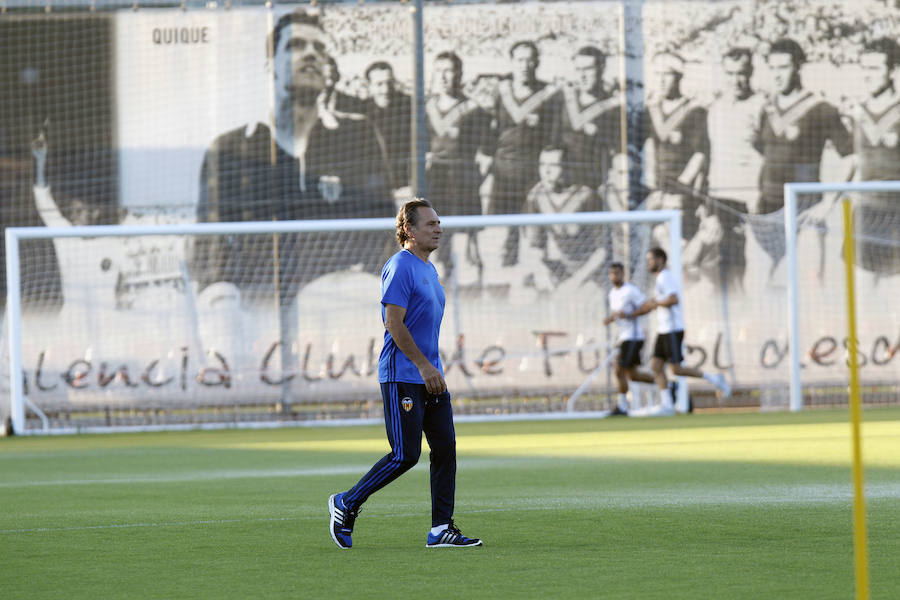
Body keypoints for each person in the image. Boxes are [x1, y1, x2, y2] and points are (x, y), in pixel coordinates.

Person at [192, 8, 394, 305]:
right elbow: (210, 249)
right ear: (269, 67)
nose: (312, 54)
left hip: (341, 303)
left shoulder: (359, 135)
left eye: (320, 48)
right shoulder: (228, 149)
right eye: (296, 45)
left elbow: (383, 233)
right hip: (257, 308)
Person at [328, 198, 482, 550]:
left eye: (439, 222)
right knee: (404, 454)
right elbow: (393, 324)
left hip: (431, 375)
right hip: (403, 375)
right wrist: (425, 366)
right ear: (409, 230)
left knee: (445, 449)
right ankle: (346, 502)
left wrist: (434, 367)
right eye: (430, 224)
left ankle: (441, 529)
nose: (438, 228)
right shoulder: (399, 266)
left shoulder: (429, 269)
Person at [750, 38, 853, 277]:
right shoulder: (767, 109)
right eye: (772, 68)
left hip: (805, 209)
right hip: (768, 208)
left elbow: (850, 156)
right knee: (761, 285)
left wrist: (828, 202)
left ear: (798, 67)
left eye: (783, 67)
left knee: (809, 287)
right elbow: (764, 155)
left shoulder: (821, 108)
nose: (777, 75)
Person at [483, 40, 561, 270]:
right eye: (520, 59)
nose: (524, 65)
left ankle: (530, 274)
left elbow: (553, 135)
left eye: (529, 59)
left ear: (537, 62)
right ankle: (502, 274)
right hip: (504, 169)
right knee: (503, 230)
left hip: (533, 170)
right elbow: (491, 129)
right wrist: (487, 156)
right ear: (512, 62)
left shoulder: (548, 94)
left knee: (532, 228)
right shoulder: (501, 90)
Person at [631, 247, 731, 416]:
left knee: (676, 369)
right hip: (663, 330)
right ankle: (667, 405)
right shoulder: (660, 278)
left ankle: (714, 378)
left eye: (651, 260)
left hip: (673, 329)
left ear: (661, 260)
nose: (649, 263)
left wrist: (656, 303)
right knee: (656, 366)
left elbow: (673, 299)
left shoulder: (665, 276)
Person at [426, 51, 492, 284]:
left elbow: (484, 152)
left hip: (463, 177)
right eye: (439, 70)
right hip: (436, 177)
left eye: (449, 70)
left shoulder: (473, 109)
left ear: (460, 74)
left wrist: (475, 175)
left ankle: (470, 267)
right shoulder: (427, 107)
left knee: (465, 228)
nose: (443, 77)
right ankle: (441, 268)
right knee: (435, 226)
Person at [639, 52, 709, 248]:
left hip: (680, 191)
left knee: (678, 244)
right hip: (656, 189)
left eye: (667, 74)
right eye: (657, 74)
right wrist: (652, 184)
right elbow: (649, 146)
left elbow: (700, 154)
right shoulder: (651, 110)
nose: (661, 80)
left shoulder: (694, 111)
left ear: (679, 77)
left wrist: (682, 186)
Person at [519, 145, 605, 295]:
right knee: (522, 293)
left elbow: (602, 251)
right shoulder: (536, 196)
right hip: (561, 269)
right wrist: (543, 274)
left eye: (553, 165)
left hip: (592, 272)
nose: (546, 171)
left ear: (567, 167)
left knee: (587, 298)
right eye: (542, 165)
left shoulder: (586, 197)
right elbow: (534, 246)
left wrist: (576, 281)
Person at [850, 37, 900, 277]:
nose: (867, 75)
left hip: (897, 209)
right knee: (863, 285)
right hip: (866, 208)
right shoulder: (858, 112)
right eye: (864, 68)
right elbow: (853, 160)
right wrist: (829, 201)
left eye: (874, 68)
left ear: (893, 71)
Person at [560, 46, 624, 192]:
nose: (582, 75)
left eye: (588, 69)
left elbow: (617, 150)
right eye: (578, 69)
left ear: (602, 69)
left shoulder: (613, 107)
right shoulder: (563, 100)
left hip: (595, 184)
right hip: (563, 183)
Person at [602, 262, 656, 416]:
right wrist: (610, 319)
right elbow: (619, 313)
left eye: (617, 273)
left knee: (619, 369)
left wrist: (630, 315)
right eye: (611, 273)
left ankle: (623, 406)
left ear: (623, 274)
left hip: (633, 337)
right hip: (623, 336)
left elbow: (647, 306)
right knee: (633, 375)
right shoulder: (612, 293)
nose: (614, 276)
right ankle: (669, 386)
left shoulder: (630, 291)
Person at [364, 61, 413, 202]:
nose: (385, 90)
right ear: (369, 86)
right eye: (379, 84)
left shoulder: (409, 107)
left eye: (389, 83)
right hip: (373, 186)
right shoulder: (361, 111)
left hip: (406, 185)